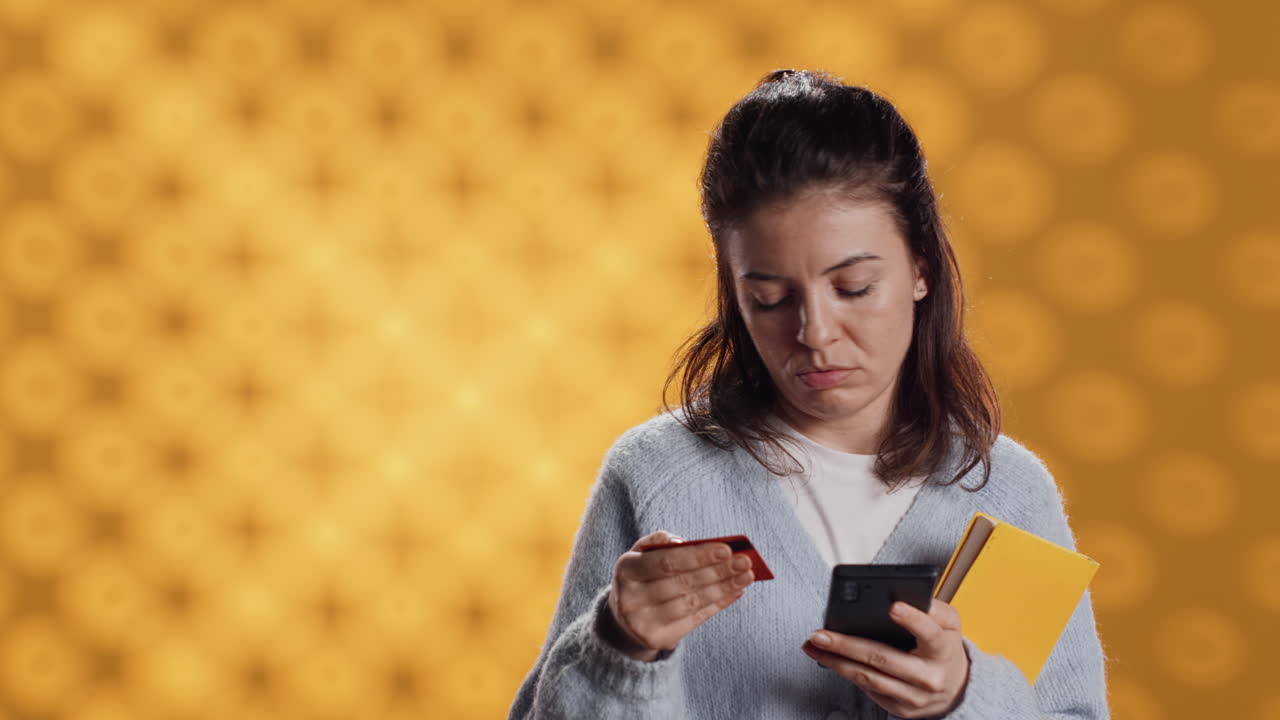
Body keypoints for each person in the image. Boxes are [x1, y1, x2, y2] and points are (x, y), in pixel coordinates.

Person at [508, 69, 1109, 720]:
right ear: (736, 298)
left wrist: (963, 699)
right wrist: (619, 648)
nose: (814, 334)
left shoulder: (1009, 493)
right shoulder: (655, 478)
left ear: (920, 271)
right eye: (769, 300)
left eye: (853, 287)